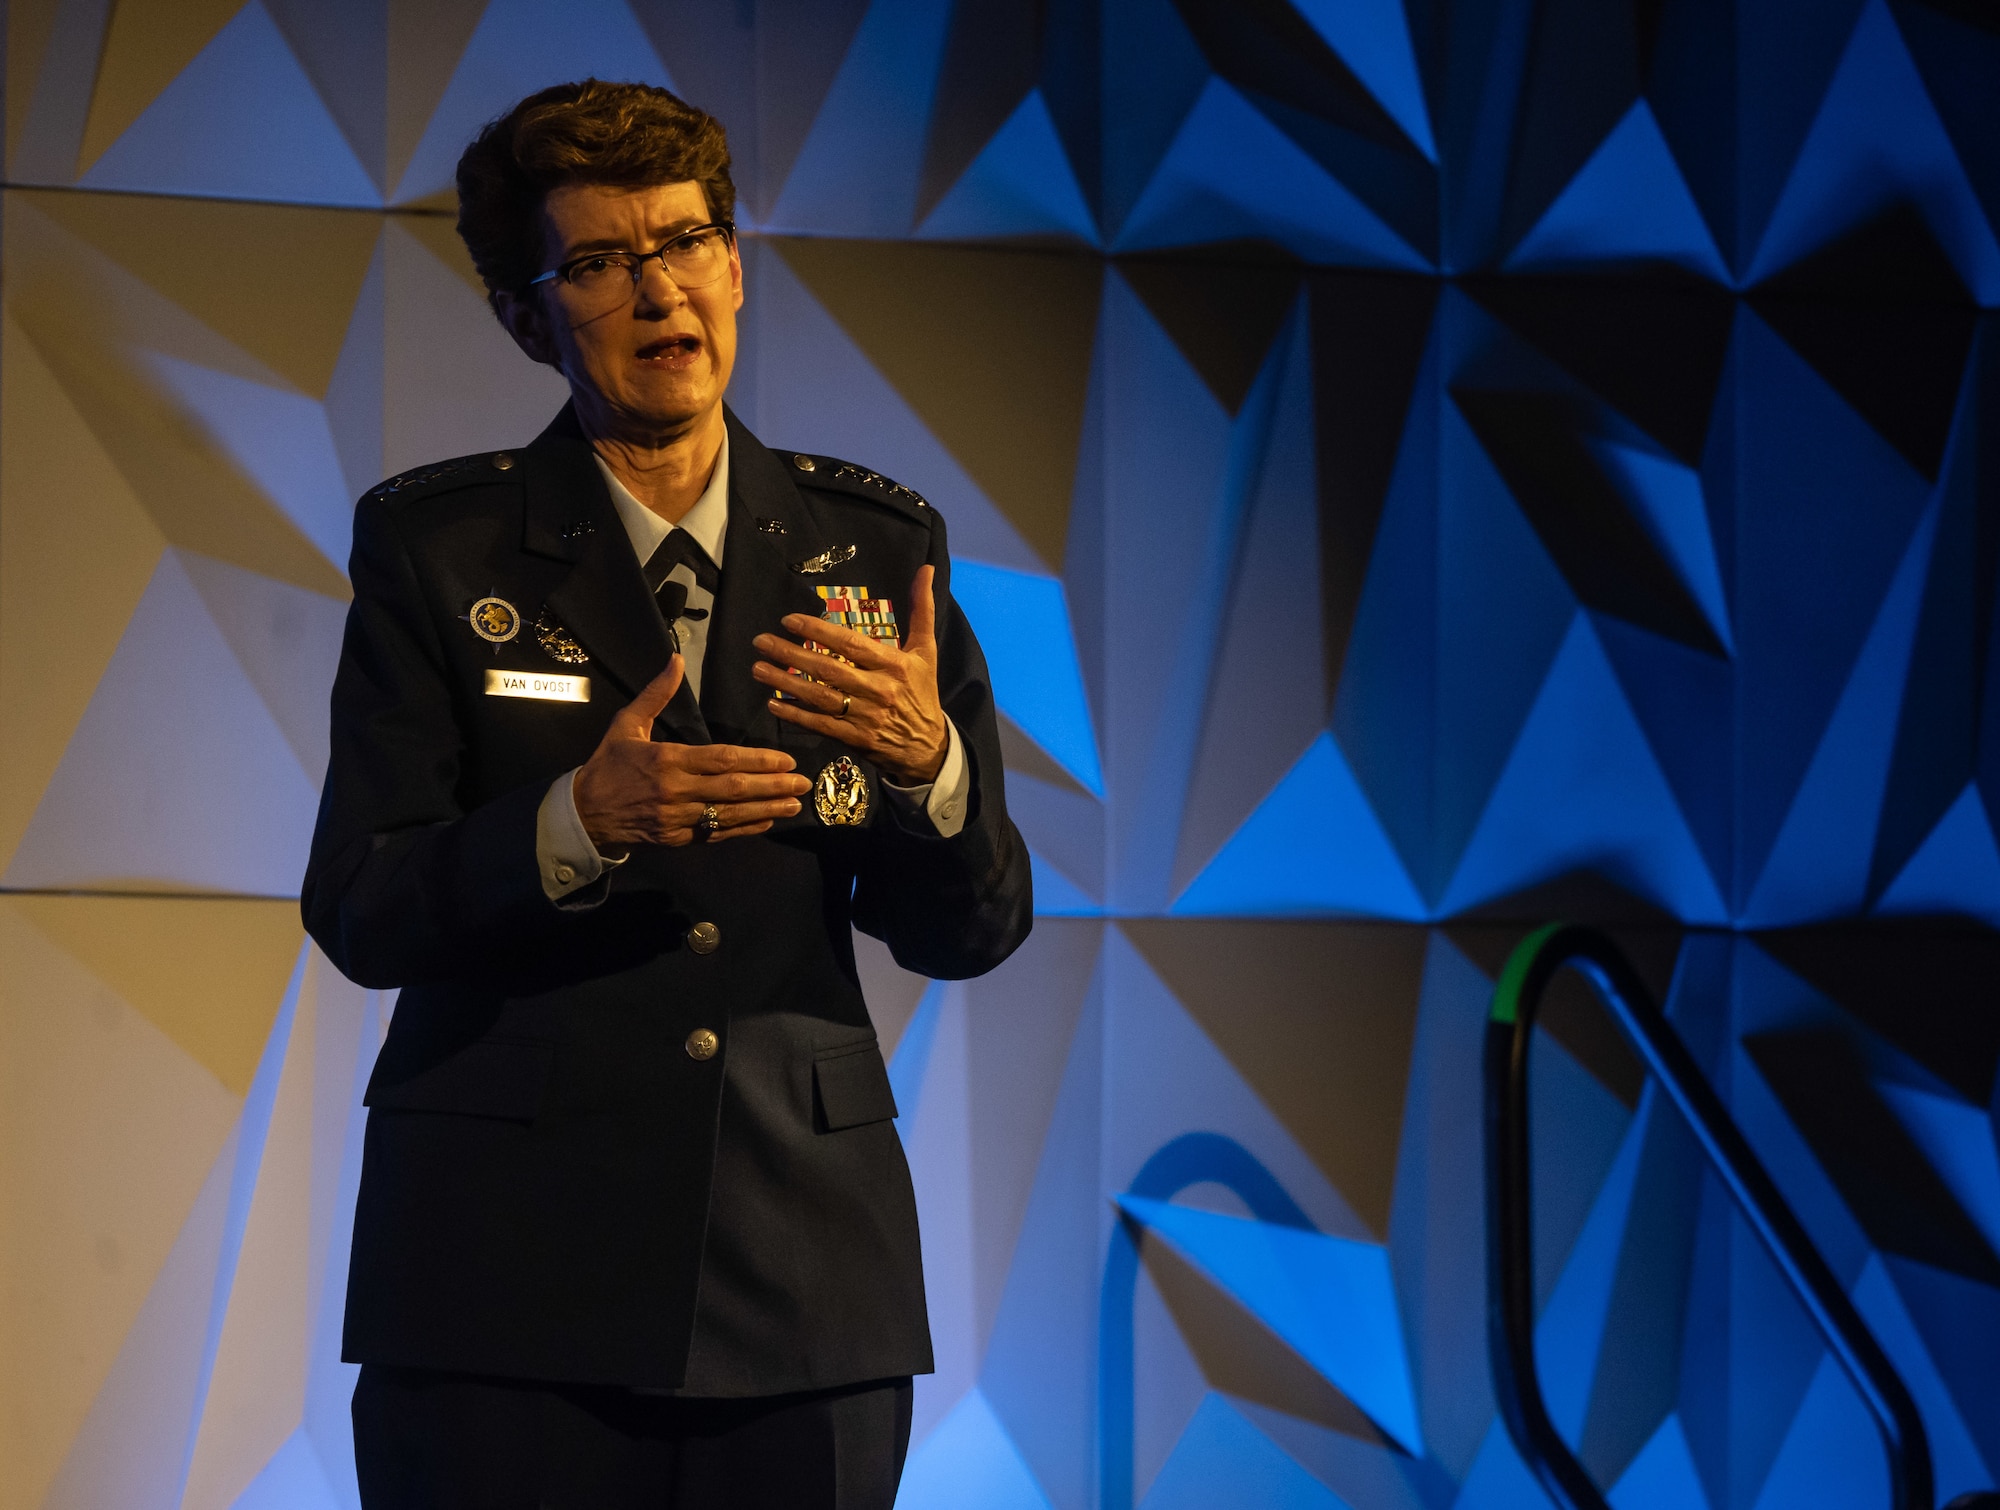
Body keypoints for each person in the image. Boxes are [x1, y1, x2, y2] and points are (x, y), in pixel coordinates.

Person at [301, 78, 1033, 1509]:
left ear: (737, 268)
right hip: (503, 1285)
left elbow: (972, 925)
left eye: (687, 243)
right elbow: (364, 905)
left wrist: (928, 773)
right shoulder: (438, 551)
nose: (658, 292)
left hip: (804, 1282)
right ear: (529, 318)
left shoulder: (877, 549)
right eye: (597, 263)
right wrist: (578, 825)